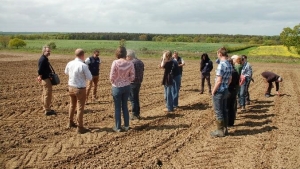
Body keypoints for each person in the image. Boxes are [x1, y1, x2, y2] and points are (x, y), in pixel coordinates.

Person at [65, 49, 92, 134]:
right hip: (80, 88)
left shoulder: (70, 63)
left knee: (72, 105)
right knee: (80, 107)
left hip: (71, 87)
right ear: (82, 55)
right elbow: (90, 77)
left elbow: (66, 72)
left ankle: (70, 122)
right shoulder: (83, 65)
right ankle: (80, 127)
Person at [110, 46, 135, 132]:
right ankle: (127, 126)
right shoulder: (130, 63)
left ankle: (117, 127)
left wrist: (114, 82)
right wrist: (126, 80)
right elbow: (132, 77)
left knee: (117, 108)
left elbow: (111, 76)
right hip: (127, 87)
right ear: (125, 54)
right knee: (125, 106)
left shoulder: (115, 62)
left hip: (117, 87)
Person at [211, 47, 232, 137]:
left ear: (220, 53)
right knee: (224, 110)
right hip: (226, 90)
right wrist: (226, 86)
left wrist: (213, 91)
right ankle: (225, 129)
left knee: (218, 111)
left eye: (217, 53)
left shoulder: (221, 65)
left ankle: (220, 131)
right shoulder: (229, 64)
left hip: (219, 91)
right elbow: (230, 79)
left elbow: (218, 80)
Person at [37, 46, 56, 116]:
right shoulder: (43, 59)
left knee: (45, 94)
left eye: (49, 51)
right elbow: (40, 70)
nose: (49, 52)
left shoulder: (44, 58)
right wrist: (40, 75)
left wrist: (40, 76)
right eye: (47, 51)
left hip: (45, 78)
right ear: (43, 51)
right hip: (46, 79)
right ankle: (47, 110)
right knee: (47, 94)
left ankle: (45, 108)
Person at [126, 50, 144, 120]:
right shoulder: (140, 62)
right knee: (136, 98)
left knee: (133, 99)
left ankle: (134, 114)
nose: (126, 58)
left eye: (127, 56)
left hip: (132, 82)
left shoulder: (131, 63)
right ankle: (137, 113)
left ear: (130, 56)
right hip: (138, 82)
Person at [227, 58, 240, 126]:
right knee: (231, 107)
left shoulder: (228, 72)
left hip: (228, 90)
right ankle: (231, 123)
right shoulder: (235, 72)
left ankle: (226, 122)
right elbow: (238, 83)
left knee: (226, 107)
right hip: (234, 90)